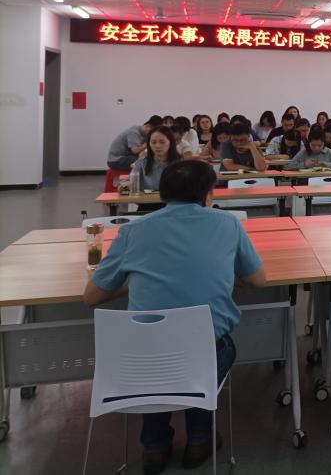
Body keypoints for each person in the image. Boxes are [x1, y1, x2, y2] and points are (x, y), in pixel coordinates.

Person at [84, 159, 266, 474]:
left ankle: (154, 447)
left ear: (163, 192)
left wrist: (136, 278)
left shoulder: (132, 231)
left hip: (138, 358)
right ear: (208, 194)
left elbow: (92, 296)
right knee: (203, 352)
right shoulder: (227, 224)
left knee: (156, 354)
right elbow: (258, 280)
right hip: (205, 350)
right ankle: (199, 440)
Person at [130, 125, 181, 192]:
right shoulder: (141, 163)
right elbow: (131, 183)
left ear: (170, 142)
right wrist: (125, 186)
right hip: (146, 199)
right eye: (153, 142)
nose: (157, 146)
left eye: (162, 142)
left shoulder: (180, 163)